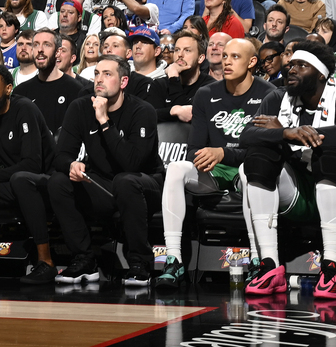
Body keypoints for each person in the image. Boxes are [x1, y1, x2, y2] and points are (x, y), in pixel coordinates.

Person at [156, 37, 274, 288]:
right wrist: (209, 156)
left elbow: (263, 151)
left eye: (235, 57)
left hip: (248, 167)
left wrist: (224, 153)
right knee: (176, 168)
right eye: (225, 56)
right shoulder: (206, 94)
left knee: (249, 170)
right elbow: (194, 149)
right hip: (215, 170)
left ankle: (257, 260)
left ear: (252, 62)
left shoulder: (268, 94)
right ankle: (174, 260)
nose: (226, 61)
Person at [50, 55, 163, 286]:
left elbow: (133, 164)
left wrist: (104, 121)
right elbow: (60, 156)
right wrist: (71, 164)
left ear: (123, 82)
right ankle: (84, 259)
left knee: (125, 181)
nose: (99, 79)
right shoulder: (80, 107)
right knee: (58, 182)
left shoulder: (143, 111)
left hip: (145, 185)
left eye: (107, 74)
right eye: (96, 74)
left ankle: (140, 262)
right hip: (104, 185)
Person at [239, 42, 336, 298]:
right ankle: (270, 265)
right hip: (297, 191)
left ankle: (332, 266)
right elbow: (246, 135)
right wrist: (286, 132)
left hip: (329, 185)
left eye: (302, 65)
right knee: (257, 156)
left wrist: (299, 134)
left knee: (328, 154)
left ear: (321, 75)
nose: (291, 69)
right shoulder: (277, 97)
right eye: (291, 64)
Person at [15, 29, 83, 134]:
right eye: (36, 45)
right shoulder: (21, 92)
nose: (40, 50)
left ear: (58, 52)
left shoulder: (75, 90)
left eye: (47, 45)